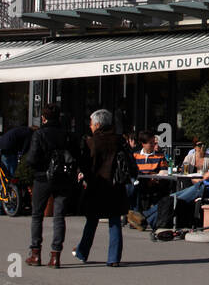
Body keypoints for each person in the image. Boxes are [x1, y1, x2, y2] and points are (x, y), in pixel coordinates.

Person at [74, 109, 131, 266]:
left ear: (98, 125)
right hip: (116, 186)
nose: (90, 126)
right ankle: (113, 258)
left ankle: (82, 252)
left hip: (97, 186)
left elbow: (86, 165)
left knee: (91, 221)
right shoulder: (119, 141)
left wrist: (83, 175)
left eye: (92, 124)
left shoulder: (91, 142)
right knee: (115, 222)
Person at [24, 104, 74, 267]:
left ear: (43, 118)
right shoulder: (66, 134)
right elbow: (74, 155)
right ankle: (55, 256)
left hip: (42, 178)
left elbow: (31, 159)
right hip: (63, 178)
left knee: (37, 215)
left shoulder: (39, 134)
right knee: (59, 216)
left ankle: (35, 253)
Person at [136, 145, 209, 231]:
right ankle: (146, 218)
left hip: (207, 189)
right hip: (207, 187)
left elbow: (206, 176)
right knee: (173, 197)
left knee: (173, 199)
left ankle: (145, 217)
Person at [0, 122, 34, 215]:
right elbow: (25, 149)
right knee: (12, 179)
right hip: (8, 152)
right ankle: (12, 207)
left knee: (1, 179)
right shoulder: (29, 134)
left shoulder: (22, 130)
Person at [129, 130, 168, 216]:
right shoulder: (135, 155)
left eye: (154, 142)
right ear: (143, 144)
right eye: (151, 143)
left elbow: (164, 169)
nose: (153, 145)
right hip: (139, 183)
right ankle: (136, 214)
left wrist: (158, 176)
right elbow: (132, 170)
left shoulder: (160, 155)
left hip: (154, 182)